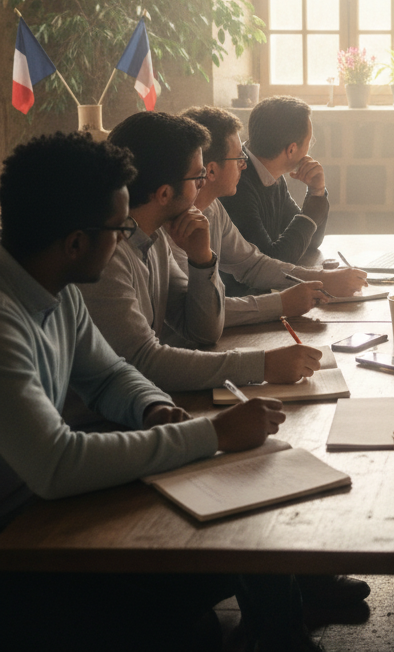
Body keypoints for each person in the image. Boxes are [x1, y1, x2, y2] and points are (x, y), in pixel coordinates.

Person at [0, 131, 315, 652]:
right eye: (120, 227)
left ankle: (282, 632)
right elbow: (55, 464)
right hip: (22, 542)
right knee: (194, 601)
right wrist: (207, 433)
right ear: (76, 242)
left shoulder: (54, 284)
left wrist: (152, 407)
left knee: (247, 533)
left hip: (46, 513)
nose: (128, 236)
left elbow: (108, 374)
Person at [79, 111, 321, 392]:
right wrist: (262, 365)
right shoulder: (108, 254)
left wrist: (202, 260)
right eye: (197, 177)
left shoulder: (154, 237)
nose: (204, 184)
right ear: (165, 194)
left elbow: (203, 330)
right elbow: (144, 361)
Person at [179, 106, 366, 325]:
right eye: (238, 157)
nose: (244, 163)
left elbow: (252, 264)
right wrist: (282, 303)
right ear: (210, 171)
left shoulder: (212, 207)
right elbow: (198, 315)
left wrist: (322, 278)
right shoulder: (179, 224)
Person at [219, 95, 329, 268]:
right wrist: (313, 206)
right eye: (309, 141)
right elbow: (270, 262)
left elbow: (310, 241)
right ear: (291, 149)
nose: (310, 147)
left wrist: (317, 192)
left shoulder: (271, 175)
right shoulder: (238, 185)